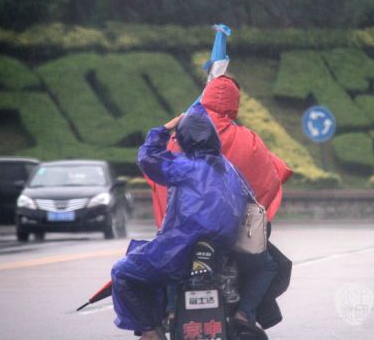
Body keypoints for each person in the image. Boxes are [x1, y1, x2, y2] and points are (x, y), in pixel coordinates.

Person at [146, 75, 293, 327]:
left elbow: (155, 176)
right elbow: (267, 178)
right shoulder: (247, 142)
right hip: (231, 233)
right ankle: (245, 314)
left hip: (180, 234)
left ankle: (168, 313)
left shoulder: (176, 140)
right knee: (269, 266)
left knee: (160, 266)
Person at [111, 104, 249, 340]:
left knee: (123, 272)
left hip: (179, 252)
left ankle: (150, 331)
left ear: (184, 139)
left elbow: (147, 158)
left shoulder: (185, 166)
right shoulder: (230, 169)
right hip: (220, 254)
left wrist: (163, 130)